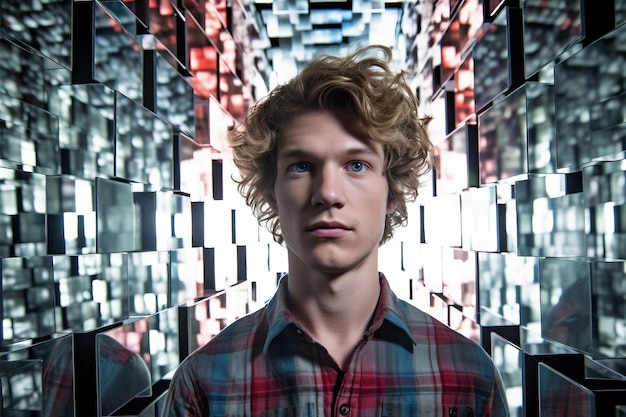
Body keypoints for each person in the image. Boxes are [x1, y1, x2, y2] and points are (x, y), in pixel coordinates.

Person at [162, 44, 509, 417]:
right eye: (301, 166)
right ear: (272, 193)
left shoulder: (470, 377)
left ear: (391, 191)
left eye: (356, 165)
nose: (328, 193)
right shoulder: (202, 384)